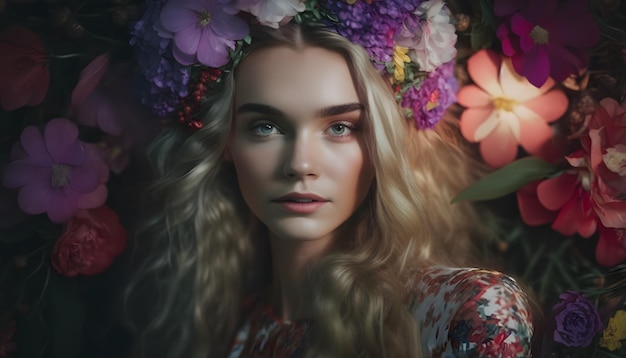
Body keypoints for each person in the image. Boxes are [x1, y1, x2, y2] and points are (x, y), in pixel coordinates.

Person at [124, 3, 533, 358]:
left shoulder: (464, 311)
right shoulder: (227, 331)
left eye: (340, 127)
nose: (301, 164)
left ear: (383, 142)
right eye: (266, 127)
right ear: (226, 141)